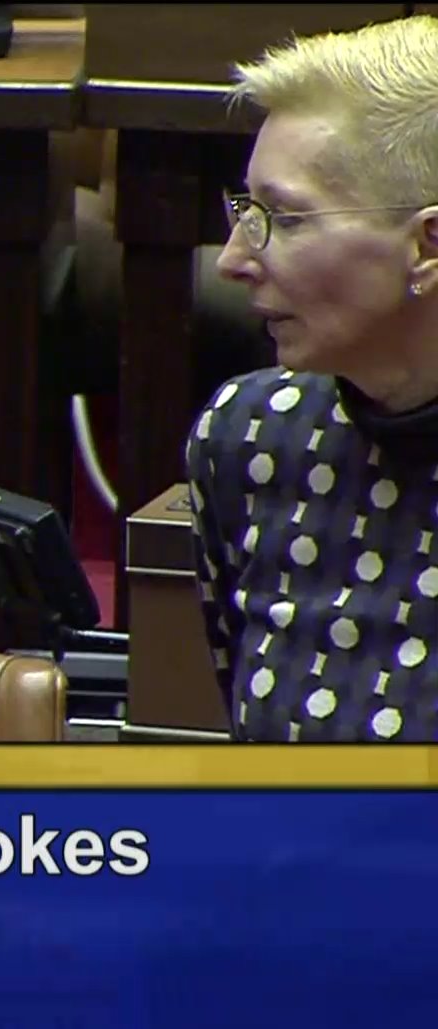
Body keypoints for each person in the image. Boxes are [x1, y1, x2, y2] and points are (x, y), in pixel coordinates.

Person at [185, 15, 438, 740]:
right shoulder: (253, 436)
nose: (232, 260)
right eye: (246, 210)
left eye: (286, 218)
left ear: (428, 244)